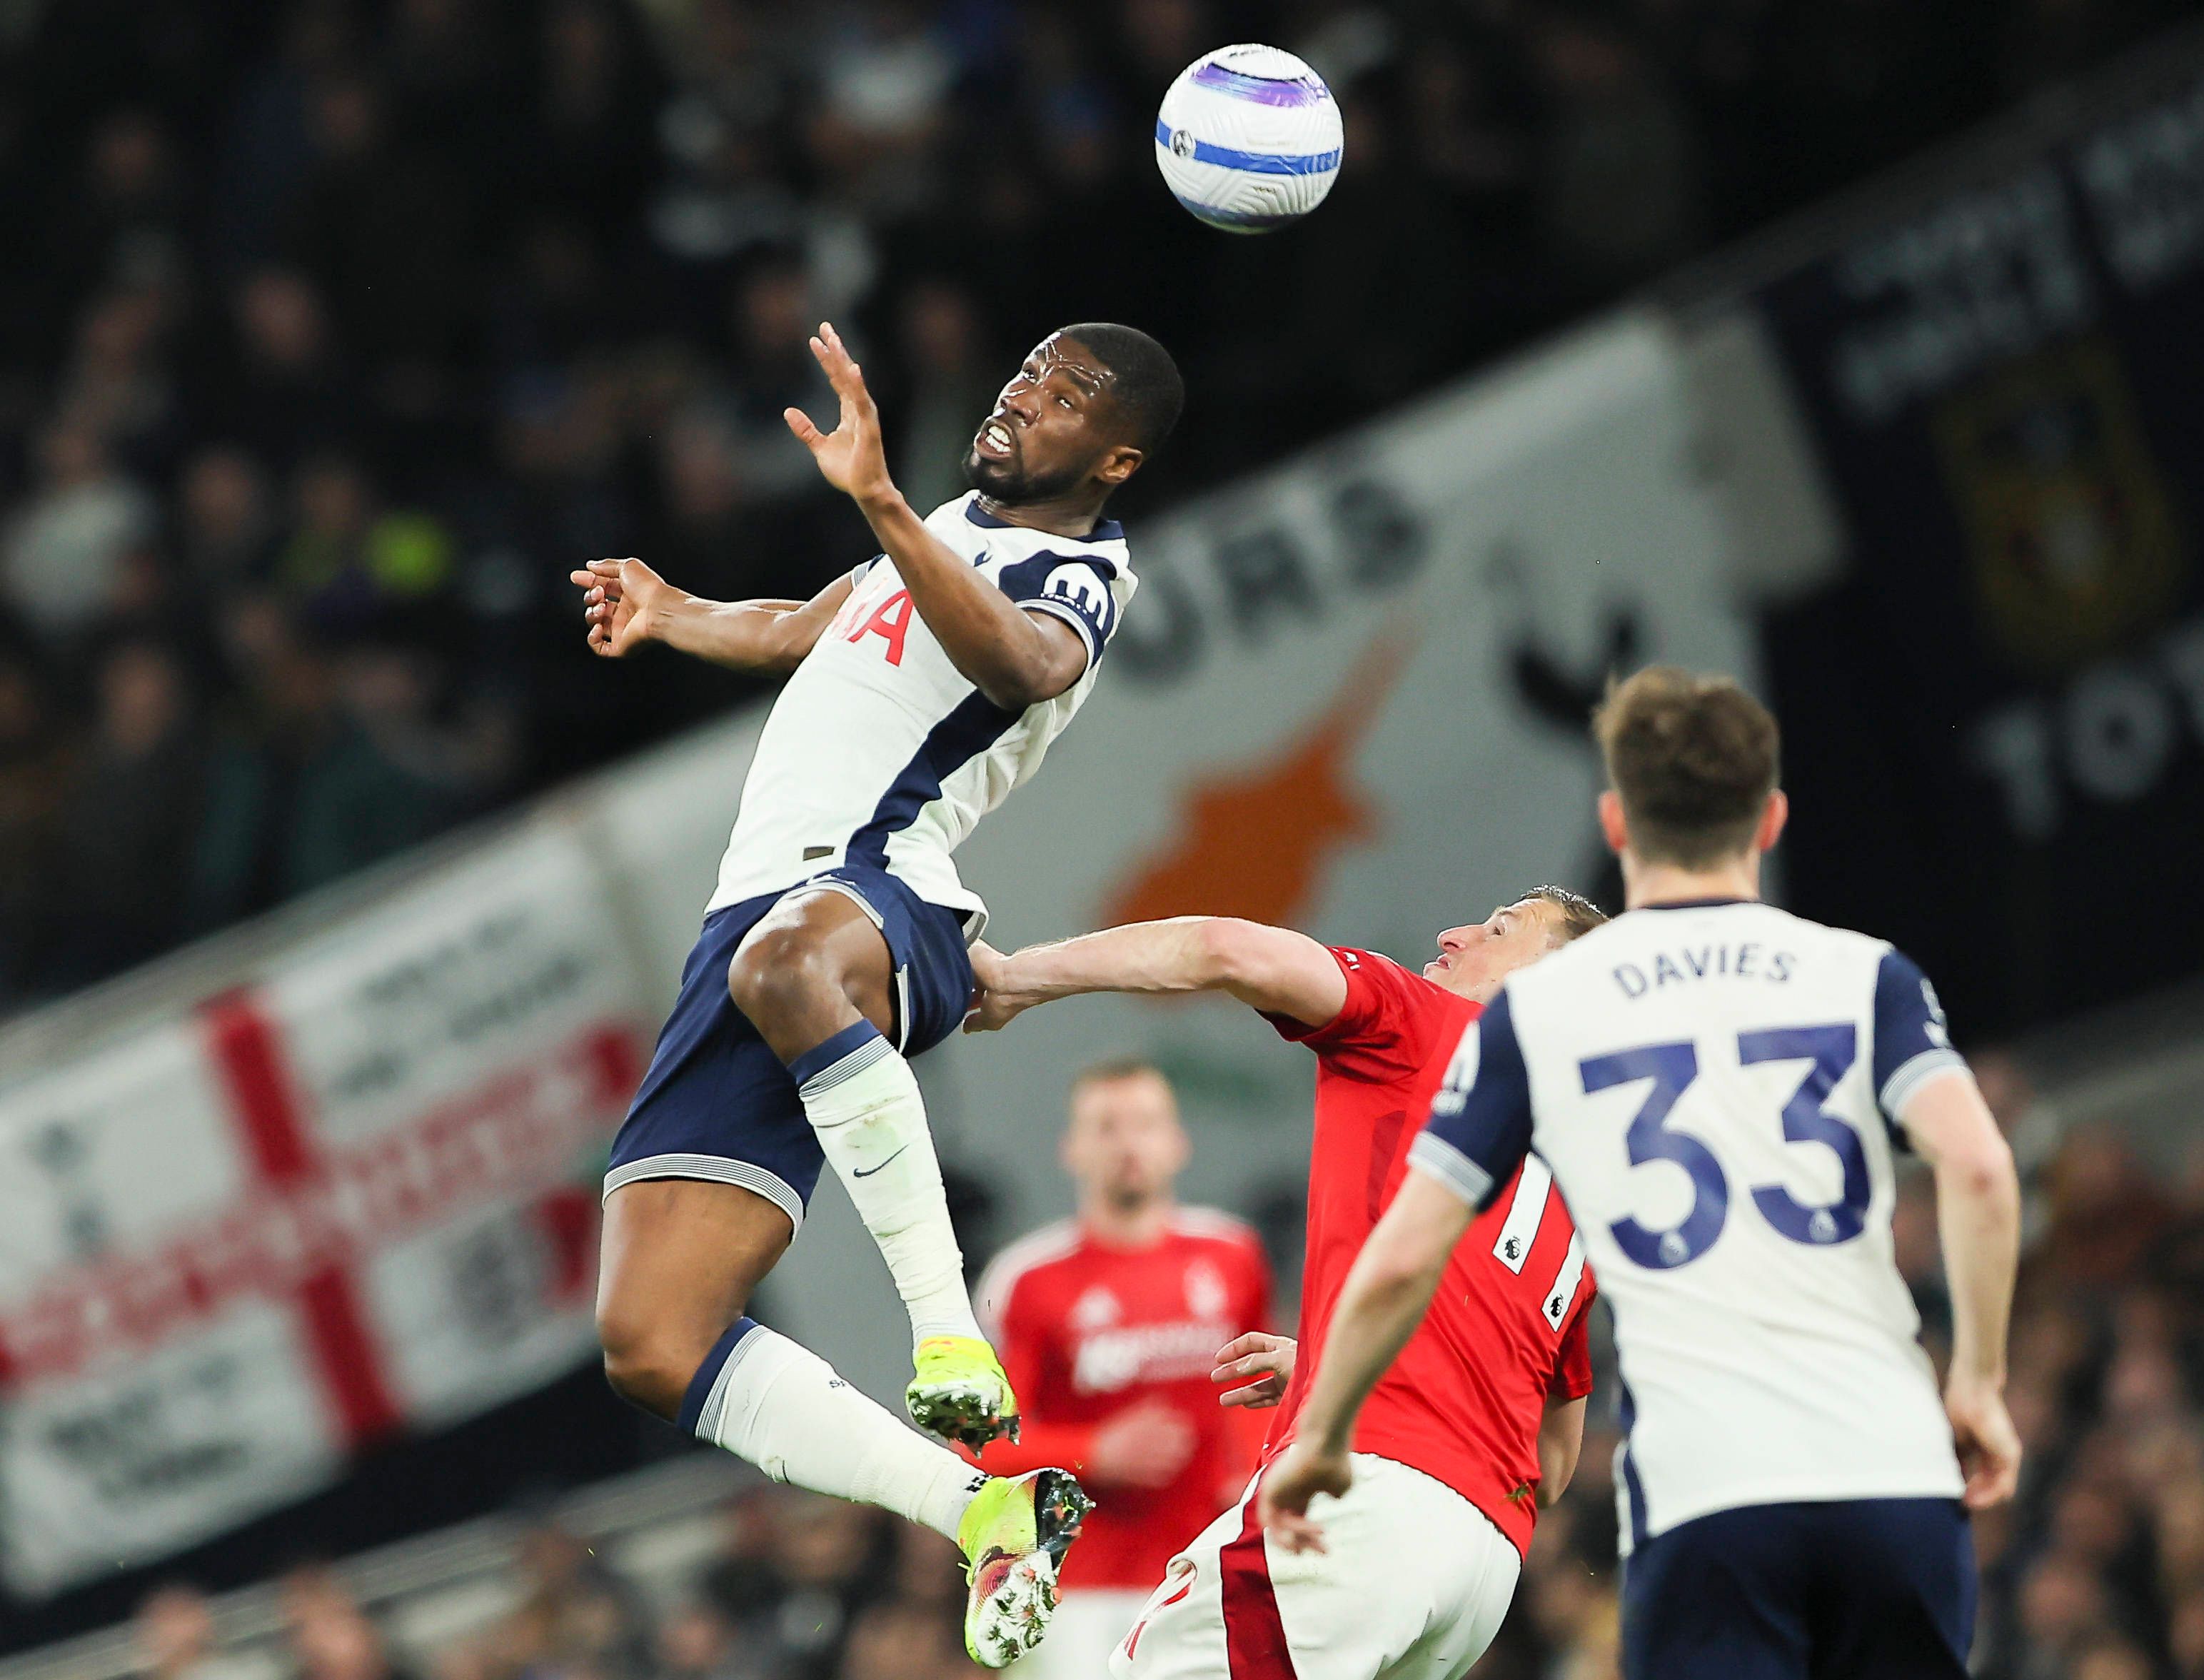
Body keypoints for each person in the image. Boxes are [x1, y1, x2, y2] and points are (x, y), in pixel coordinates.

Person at [574, 319, 1184, 1668]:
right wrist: (675, 611)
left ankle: (946, 1329)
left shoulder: (1081, 568)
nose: (1025, 396)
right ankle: (981, 1505)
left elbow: (1018, 665)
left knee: (789, 961)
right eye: (1025, 371)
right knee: (649, 1339)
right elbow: (816, 626)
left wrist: (883, 501)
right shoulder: (953, 522)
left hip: (884, 895)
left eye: (1066, 395)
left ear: (1116, 456)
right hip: (752, 916)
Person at [1262, 668, 2023, 1680]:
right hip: (1886, 1456)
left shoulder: (1546, 1017)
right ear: (1772, 818)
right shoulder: (1864, 973)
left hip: (1709, 1485)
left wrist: (1324, 1427)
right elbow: (1975, 1166)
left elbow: (1405, 1252)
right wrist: (1975, 1382)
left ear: (1616, 825)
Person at [965, 886, 1608, 1680]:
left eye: (1500, 929)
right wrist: (1326, 1368)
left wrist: (1022, 975)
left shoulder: (1422, 1024)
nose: (1456, 930)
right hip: (1478, 1570)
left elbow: (1226, 948)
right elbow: (1552, 1458)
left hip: (1360, 1506)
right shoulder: (1582, 1179)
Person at [970, 1060, 1276, 1680]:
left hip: (1206, 1575)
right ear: (1072, 1149)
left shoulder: (1233, 1256)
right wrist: (1094, 1450)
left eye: (1145, 1123)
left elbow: (1259, 1393)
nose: (1128, 1143)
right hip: (1071, 1586)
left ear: (1177, 1141)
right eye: (1106, 1127)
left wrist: (1249, 1472)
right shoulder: (1027, 1281)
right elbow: (982, 1442)